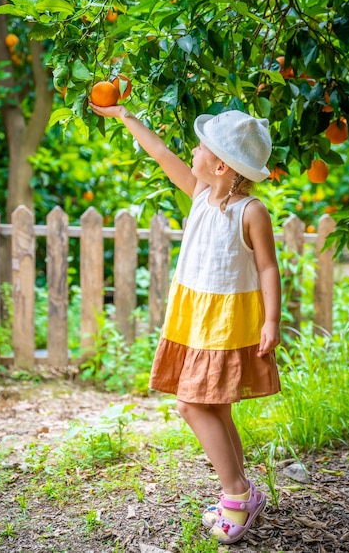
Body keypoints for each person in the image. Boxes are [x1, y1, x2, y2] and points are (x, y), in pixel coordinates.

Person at [89, 100, 281, 545]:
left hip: (228, 322)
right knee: (212, 406)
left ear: (218, 165)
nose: (190, 154)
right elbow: (159, 153)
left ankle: (235, 493)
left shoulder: (251, 212)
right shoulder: (199, 194)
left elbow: (269, 268)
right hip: (195, 319)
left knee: (191, 405)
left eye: (198, 149)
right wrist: (126, 117)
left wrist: (272, 319)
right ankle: (242, 493)